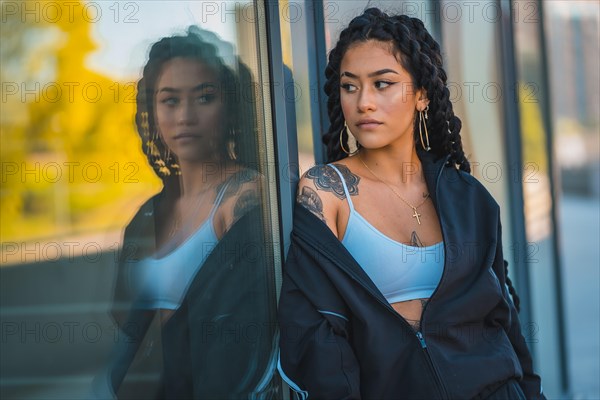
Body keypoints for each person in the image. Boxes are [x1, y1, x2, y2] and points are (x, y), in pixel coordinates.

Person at [278, 8, 545, 400]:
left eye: (382, 84)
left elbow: (503, 317)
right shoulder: (326, 192)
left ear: (421, 95)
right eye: (349, 86)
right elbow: (315, 332)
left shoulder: (468, 196)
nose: (363, 102)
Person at [97, 28, 279, 399]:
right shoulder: (150, 214)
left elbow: (247, 338)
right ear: (152, 112)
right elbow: (129, 330)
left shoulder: (245, 198)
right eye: (169, 101)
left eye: (204, 97)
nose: (185, 116)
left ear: (229, 106)